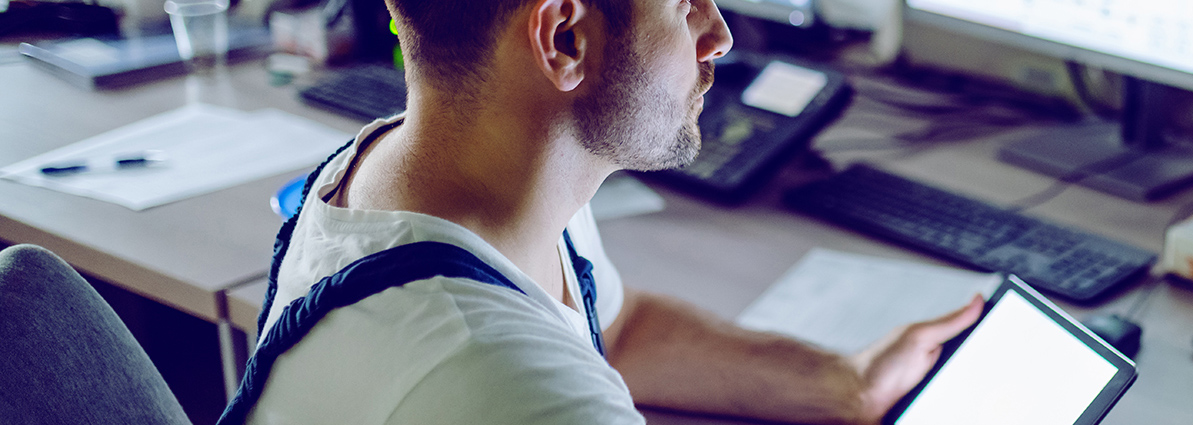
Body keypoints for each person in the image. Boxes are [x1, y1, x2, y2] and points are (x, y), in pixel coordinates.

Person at [234, 0, 984, 423]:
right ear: (564, 38)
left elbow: (616, 331)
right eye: (683, 4)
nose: (718, 34)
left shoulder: (433, 175)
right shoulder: (500, 380)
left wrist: (844, 381)